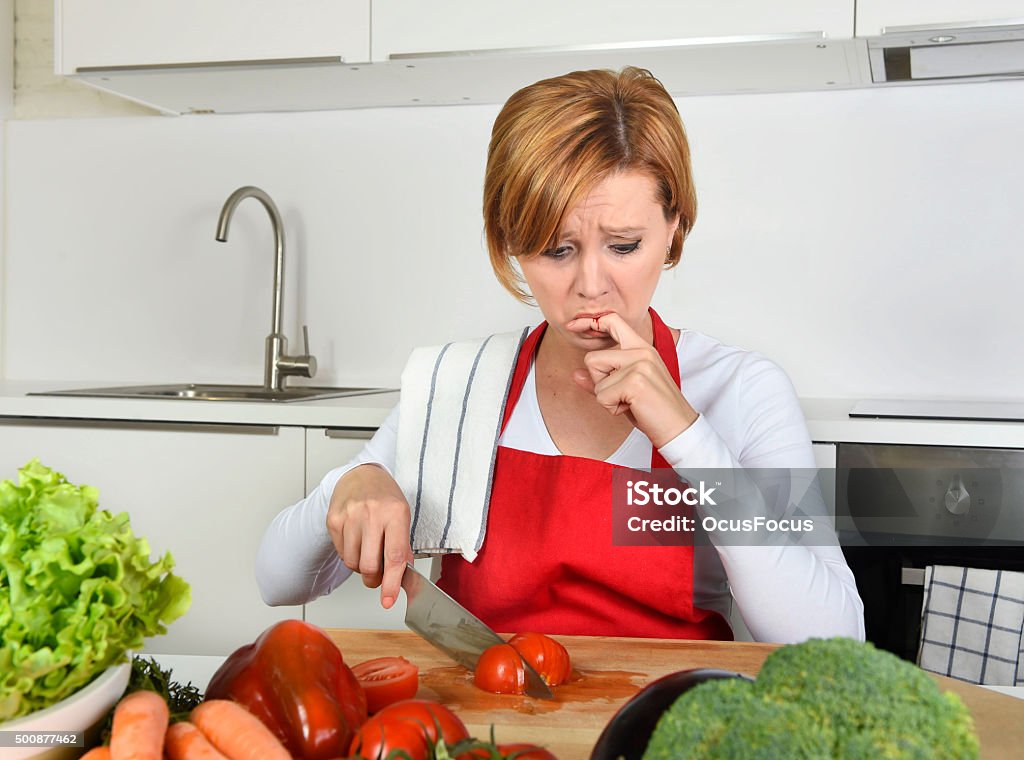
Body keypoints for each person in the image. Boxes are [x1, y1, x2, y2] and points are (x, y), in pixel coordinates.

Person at [256, 67, 865, 644]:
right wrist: (351, 482)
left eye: (624, 245)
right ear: (509, 243)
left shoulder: (741, 390)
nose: (591, 285)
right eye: (556, 250)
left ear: (675, 225)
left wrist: (688, 437)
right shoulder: (462, 387)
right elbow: (278, 580)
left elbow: (832, 640)